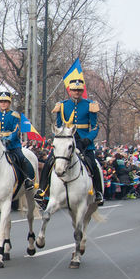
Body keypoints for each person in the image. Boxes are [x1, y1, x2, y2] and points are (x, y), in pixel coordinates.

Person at [36, 78, 103, 207]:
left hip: (84, 141)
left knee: (92, 164)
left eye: (79, 90)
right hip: (66, 140)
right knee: (49, 162)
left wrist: (88, 139)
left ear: (82, 91)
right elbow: (59, 125)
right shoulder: (62, 105)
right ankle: (41, 190)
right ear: (70, 91)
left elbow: (95, 127)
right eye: (74, 90)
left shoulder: (90, 105)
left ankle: (98, 192)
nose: (76, 92)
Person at [0, 92, 34, 190]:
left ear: (9, 103)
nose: (3, 104)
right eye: (1, 102)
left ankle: (27, 179)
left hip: (12, 145)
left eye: (5, 101)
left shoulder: (15, 115)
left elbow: (16, 130)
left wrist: (8, 139)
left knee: (21, 158)